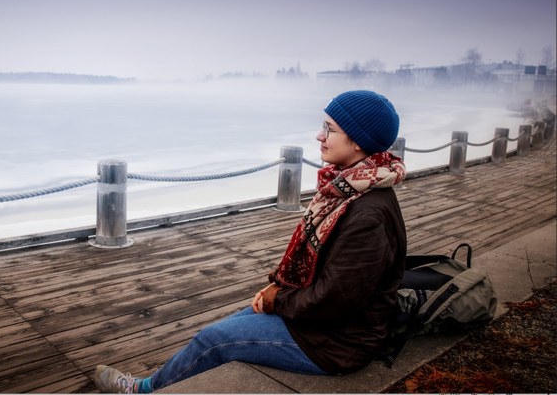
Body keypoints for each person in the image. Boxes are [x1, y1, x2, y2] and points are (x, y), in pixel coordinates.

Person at [93, 90, 408, 393]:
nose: (319, 135)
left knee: (214, 340)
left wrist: (277, 300)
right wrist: (278, 291)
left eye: (329, 129)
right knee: (226, 326)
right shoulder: (351, 189)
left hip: (338, 343)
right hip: (322, 325)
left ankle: (142, 391)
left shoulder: (368, 216)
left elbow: (334, 300)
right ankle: (156, 383)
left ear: (357, 141)